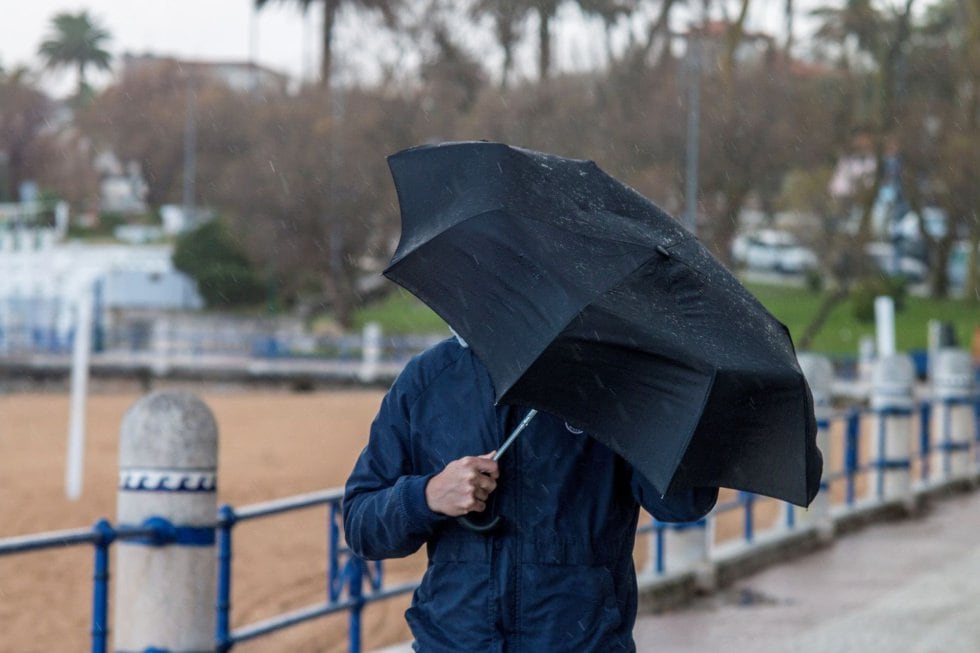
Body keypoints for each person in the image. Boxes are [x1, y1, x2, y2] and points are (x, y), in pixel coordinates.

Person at [343, 334, 718, 652]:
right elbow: (361, 525)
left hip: (585, 643)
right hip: (453, 642)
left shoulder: (613, 383)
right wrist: (427, 496)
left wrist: (667, 398)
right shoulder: (427, 381)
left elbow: (684, 505)